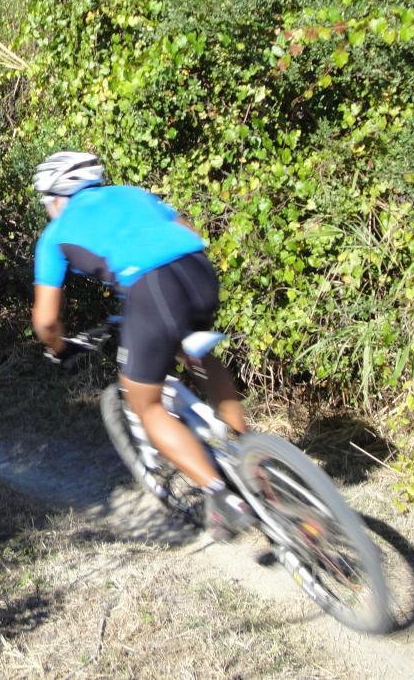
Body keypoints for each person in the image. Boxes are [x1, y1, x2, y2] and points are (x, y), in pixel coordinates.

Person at [30, 151, 253, 538]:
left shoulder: (56, 234)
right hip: (198, 271)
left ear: (56, 197)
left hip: (153, 289)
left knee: (144, 403)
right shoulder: (133, 194)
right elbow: (186, 231)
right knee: (195, 351)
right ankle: (247, 451)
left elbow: (46, 320)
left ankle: (221, 494)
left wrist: (58, 347)